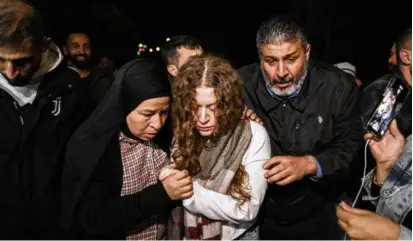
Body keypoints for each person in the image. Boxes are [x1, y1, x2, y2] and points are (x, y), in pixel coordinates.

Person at [238, 16, 363, 239]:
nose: (282, 72)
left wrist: (309, 164)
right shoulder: (238, 86)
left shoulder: (338, 86)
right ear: (259, 58)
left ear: (306, 52)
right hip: (260, 216)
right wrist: (236, 127)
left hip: (323, 211)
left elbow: (351, 146)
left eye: (291, 59)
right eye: (271, 61)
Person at [62, 58, 193, 239]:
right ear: (124, 105)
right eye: (147, 114)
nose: (157, 124)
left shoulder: (165, 135)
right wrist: (161, 194)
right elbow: (92, 219)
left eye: (164, 112)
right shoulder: (96, 147)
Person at [0, 0, 92, 238]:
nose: (10, 72)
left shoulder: (70, 88)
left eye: (21, 61)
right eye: (0, 60)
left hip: (51, 228)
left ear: (42, 46)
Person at [162, 55, 271, 240]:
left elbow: (246, 209)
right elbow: (170, 170)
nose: (202, 118)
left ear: (227, 102)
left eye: (212, 107)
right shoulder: (184, 127)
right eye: (195, 107)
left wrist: (186, 193)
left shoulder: (252, 135)